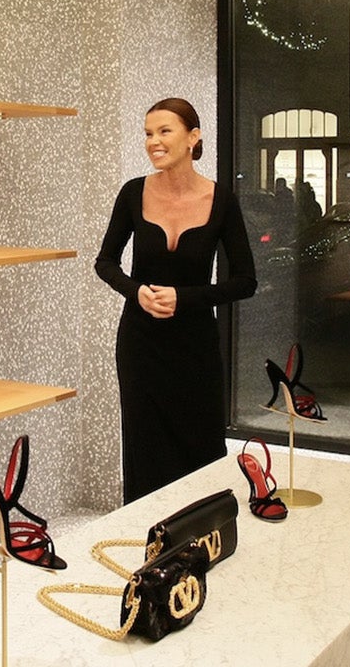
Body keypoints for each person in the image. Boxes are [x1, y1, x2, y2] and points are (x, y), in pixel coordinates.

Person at [95, 98, 257, 503]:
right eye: (148, 133)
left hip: (195, 346)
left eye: (164, 131)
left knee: (200, 446)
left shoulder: (221, 200)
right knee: (144, 447)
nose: (153, 141)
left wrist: (184, 298)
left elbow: (245, 281)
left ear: (193, 137)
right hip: (140, 345)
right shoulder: (133, 193)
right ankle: (147, 531)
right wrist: (137, 292)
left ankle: (203, 528)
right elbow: (105, 262)